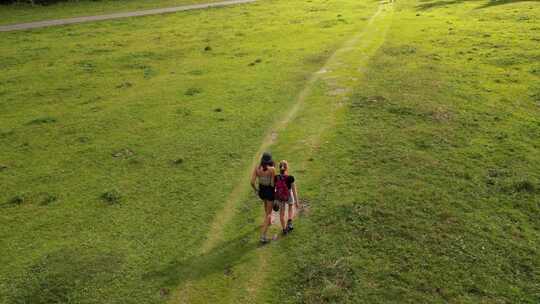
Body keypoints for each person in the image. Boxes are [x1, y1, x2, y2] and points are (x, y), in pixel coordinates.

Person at [251, 152, 276, 244]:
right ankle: (263, 236)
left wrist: (256, 190)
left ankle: (268, 222)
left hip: (261, 191)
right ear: (270, 160)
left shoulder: (257, 168)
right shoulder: (272, 169)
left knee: (266, 205)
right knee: (269, 213)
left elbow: (252, 182)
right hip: (269, 191)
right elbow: (273, 184)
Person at [275, 160, 299, 235]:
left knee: (281, 213)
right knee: (290, 206)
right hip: (288, 195)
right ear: (286, 168)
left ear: (279, 168)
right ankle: (290, 222)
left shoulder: (276, 177)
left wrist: (275, 200)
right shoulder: (290, 178)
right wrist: (296, 201)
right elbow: (294, 190)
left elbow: (274, 188)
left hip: (280, 196)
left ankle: (284, 229)